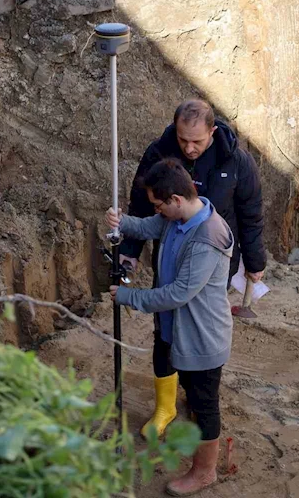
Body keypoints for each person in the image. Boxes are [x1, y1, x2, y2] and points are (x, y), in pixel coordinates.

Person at [119, 98, 266, 440]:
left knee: (201, 328)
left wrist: (255, 261)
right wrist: (129, 252)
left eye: (197, 141)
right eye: (183, 139)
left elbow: (251, 211)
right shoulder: (159, 154)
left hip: (213, 258)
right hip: (171, 253)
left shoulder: (235, 161)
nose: (189, 148)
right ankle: (165, 406)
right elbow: (142, 207)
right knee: (167, 328)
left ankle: (201, 395)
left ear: (212, 132)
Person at [107, 158, 233, 496]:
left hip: (201, 338)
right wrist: (123, 221)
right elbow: (149, 227)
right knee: (179, 383)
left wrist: (129, 297)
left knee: (204, 406)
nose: (157, 210)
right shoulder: (176, 219)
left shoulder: (208, 236)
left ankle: (204, 472)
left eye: (159, 204)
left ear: (176, 200)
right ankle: (179, 427)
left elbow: (178, 294)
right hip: (173, 330)